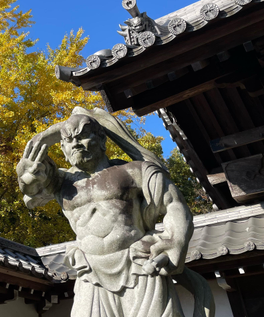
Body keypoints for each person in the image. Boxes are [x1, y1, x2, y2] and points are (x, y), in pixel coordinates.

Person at [17, 107, 214, 317]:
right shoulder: (62, 184)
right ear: (63, 149)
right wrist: (28, 169)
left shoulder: (135, 171)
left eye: (82, 136)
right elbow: (31, 187)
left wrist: (173, 242)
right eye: (67, 140)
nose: (75, 143)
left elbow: (174, 204)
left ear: (102, 139)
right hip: (89, 271)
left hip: (138, 263)